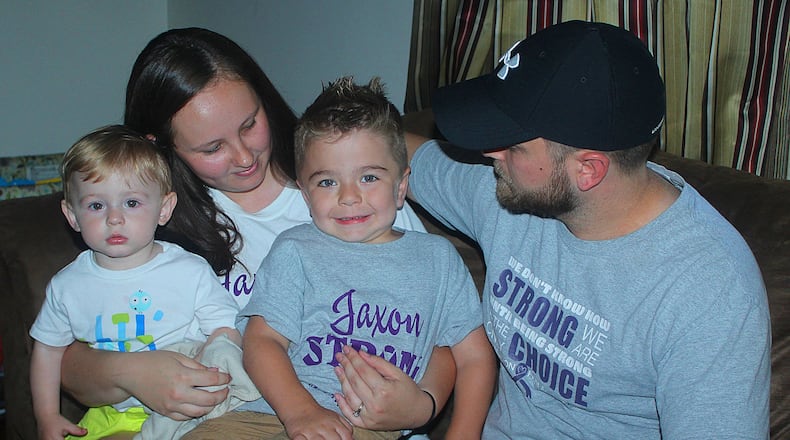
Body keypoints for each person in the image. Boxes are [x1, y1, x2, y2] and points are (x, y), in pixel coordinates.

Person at [57, 27, 457, 436]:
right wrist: (132, 373)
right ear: (160, 145)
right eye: (212, 148)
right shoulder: (144, 219)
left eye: (249, 124)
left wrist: (424, 405)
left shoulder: (354, 194)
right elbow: (67, 363)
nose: (245, 156)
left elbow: (439, 329)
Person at [394, 20, 770, 438]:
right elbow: (392, 151)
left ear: (588, 170)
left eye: (513, 145)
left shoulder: (710, 295)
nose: (489, 152)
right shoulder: (509, 193)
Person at [236, 76, 496, 440]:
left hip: (367, 423)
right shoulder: (295, 249)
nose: (348, 196)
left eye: (369, 177)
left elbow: (474, 357)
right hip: (274, 412)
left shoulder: (437, 260)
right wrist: (301, 412)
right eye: (327, 182)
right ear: (306, 195)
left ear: (401, 187)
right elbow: (261, 342)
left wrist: (463, 434)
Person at [29, 125, 242, 440]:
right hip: (110, 413)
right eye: (96, 205)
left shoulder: (189, 271)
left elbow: (226, 332)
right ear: (72, 215)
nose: (114, 218)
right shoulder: (67, 286)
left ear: (164, 209)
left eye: (131, 203)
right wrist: (47, 416)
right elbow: (47, 351)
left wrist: (208, 372)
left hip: (187, 409)